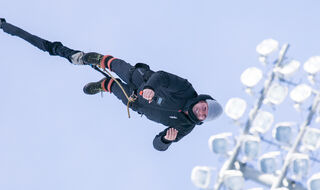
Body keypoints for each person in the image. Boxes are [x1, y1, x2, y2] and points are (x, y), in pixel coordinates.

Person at [0, 18, 223, 151]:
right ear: (203, 100)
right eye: (205, 106)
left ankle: (104, 85)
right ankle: (96, 58)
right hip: (143, 79)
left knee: (114, 86)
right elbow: (163, 76)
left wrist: (166, 139)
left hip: (136, 103)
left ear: (202, 119)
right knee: (118, 65)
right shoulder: (186, 90)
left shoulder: (185, 128)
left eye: (204, 114)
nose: (202, 111)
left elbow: (158, 146)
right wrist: (151, 88)